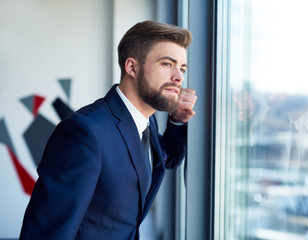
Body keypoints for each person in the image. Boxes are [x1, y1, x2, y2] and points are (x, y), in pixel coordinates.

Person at [19, 20, 197, 240]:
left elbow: (164, 158)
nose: (178, 77)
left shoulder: (146, 122)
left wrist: (177, 120)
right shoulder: (83, 133)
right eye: (167, 64)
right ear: (132, 67)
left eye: (182, 68)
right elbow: (47, 233)